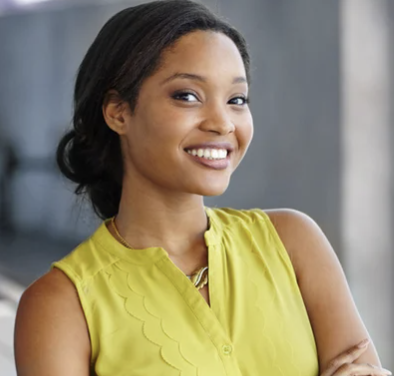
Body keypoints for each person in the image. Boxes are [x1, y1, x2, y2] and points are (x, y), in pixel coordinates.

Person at [13, 1, 391, 375]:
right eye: (187, 95)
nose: (223, 123)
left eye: (236, 100)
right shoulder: (59, 305)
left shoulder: (294, 243)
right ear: (118, 111)